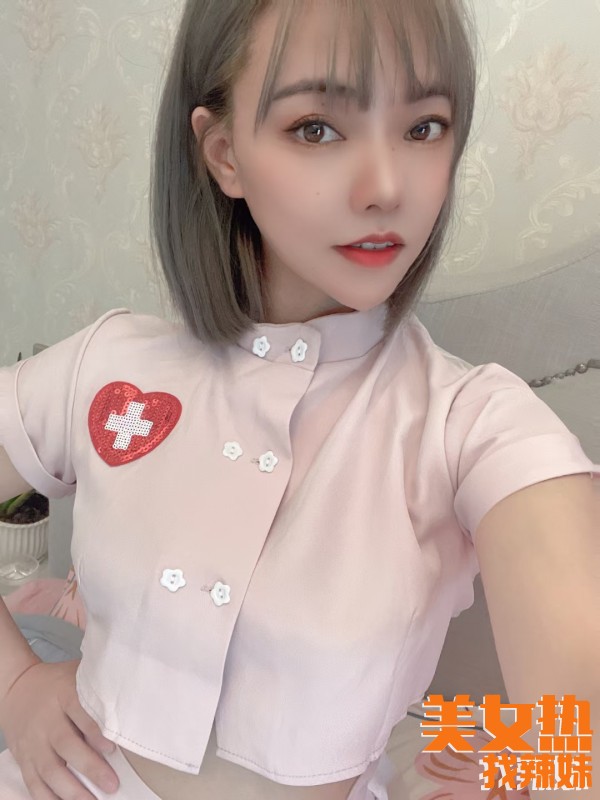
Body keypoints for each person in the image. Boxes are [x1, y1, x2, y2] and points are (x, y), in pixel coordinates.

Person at [0, 0, 599, 799]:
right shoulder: (110, 362)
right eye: (316, 128)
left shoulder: (475, 425)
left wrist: (535, 761)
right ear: (224, 155)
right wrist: (15, 686)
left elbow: (577, 713)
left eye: (424, 127)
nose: (387, 187)